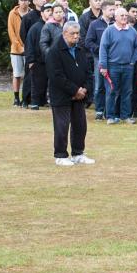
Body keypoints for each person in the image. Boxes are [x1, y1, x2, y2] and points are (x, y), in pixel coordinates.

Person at [46, 22, 93, 166]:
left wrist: (84, 89)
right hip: (61, 96)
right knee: (62, 126)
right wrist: (74, 90)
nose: (76, 36)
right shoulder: (54, 51)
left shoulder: (80, 50)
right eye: (73, 33)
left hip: (79, 96)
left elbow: (87, 72)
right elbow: (56, 76)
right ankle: (60, 155)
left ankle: (78, 153)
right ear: (64, 33)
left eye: (78, 33)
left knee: (80, 125)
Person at [99, 7, 137, 124]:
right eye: (121, 15)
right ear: (115, 17)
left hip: (128, 66)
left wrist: (133, 61)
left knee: (127, 91)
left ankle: (125, 116)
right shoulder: (109, 31)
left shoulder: (132, 31)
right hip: (112, 66)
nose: (124, 17)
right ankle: (110, 116)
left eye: (125, 15)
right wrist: (103, 66)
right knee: (112, 91)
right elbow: (103, 49)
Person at [84, 3, 115, 120]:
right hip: (99, 58)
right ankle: (99, 110)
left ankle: (109, 111)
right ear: (103, 10)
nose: (112, 12)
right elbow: (88, 42)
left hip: (113, 59)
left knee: (111, 85)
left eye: (114, 9)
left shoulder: (115, 24)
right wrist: (101, 49)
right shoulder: (95, 24)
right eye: (110, 9)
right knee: (99, 85)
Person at [23, 3, 49, 110]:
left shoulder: (52, 26)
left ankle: (43, 100)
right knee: (35, 82)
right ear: (42, 13)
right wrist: (30, 60)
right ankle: (33, 102)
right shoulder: (35, 27)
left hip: (49, 59)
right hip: (37, 60)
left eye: (51, 11)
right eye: (47, 11)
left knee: (47, 82)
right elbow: (29, 44)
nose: (50, 13)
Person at [7, 0, 31, 107]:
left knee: (29, 74)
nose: (23, 1)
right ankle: (16, 98)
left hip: (29, 49)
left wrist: (28, 47)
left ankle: (27, 97)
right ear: (18, 1)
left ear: (29, 1)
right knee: (17, 74)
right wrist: (19, 46)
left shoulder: (31, 14)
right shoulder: (13, 13)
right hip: (16, 50)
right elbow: (11, 32)